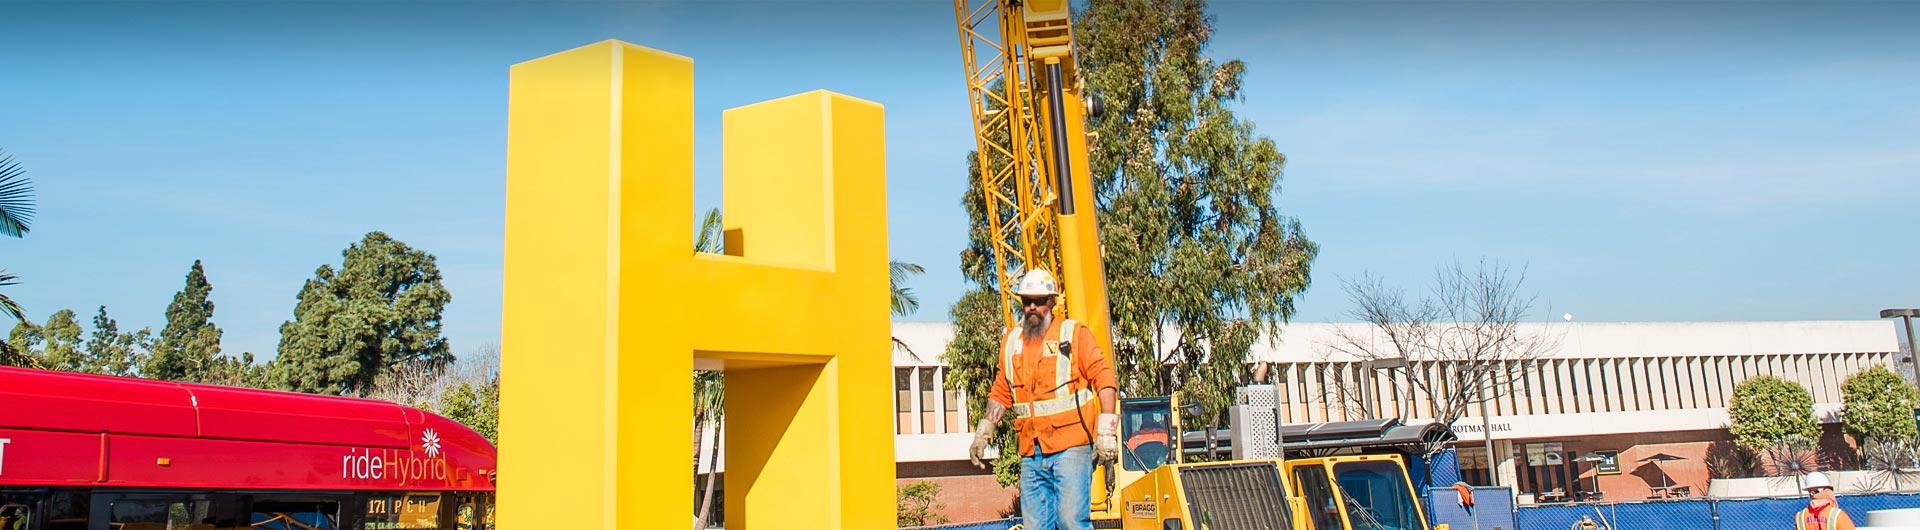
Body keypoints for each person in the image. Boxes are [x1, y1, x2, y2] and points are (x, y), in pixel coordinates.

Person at [968, 269, 1119, 530]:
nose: (1032, 307)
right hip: (1031, 451)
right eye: (1027, 301)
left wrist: (1106, 431)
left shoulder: (1074, 335)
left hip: (1072, 446)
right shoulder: (1012, 342)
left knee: (1071, 521)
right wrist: (983, 434)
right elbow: (1002, 391)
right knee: (1036, 526)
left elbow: (1105, 381)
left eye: (1038, 300)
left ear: (1051, 301)